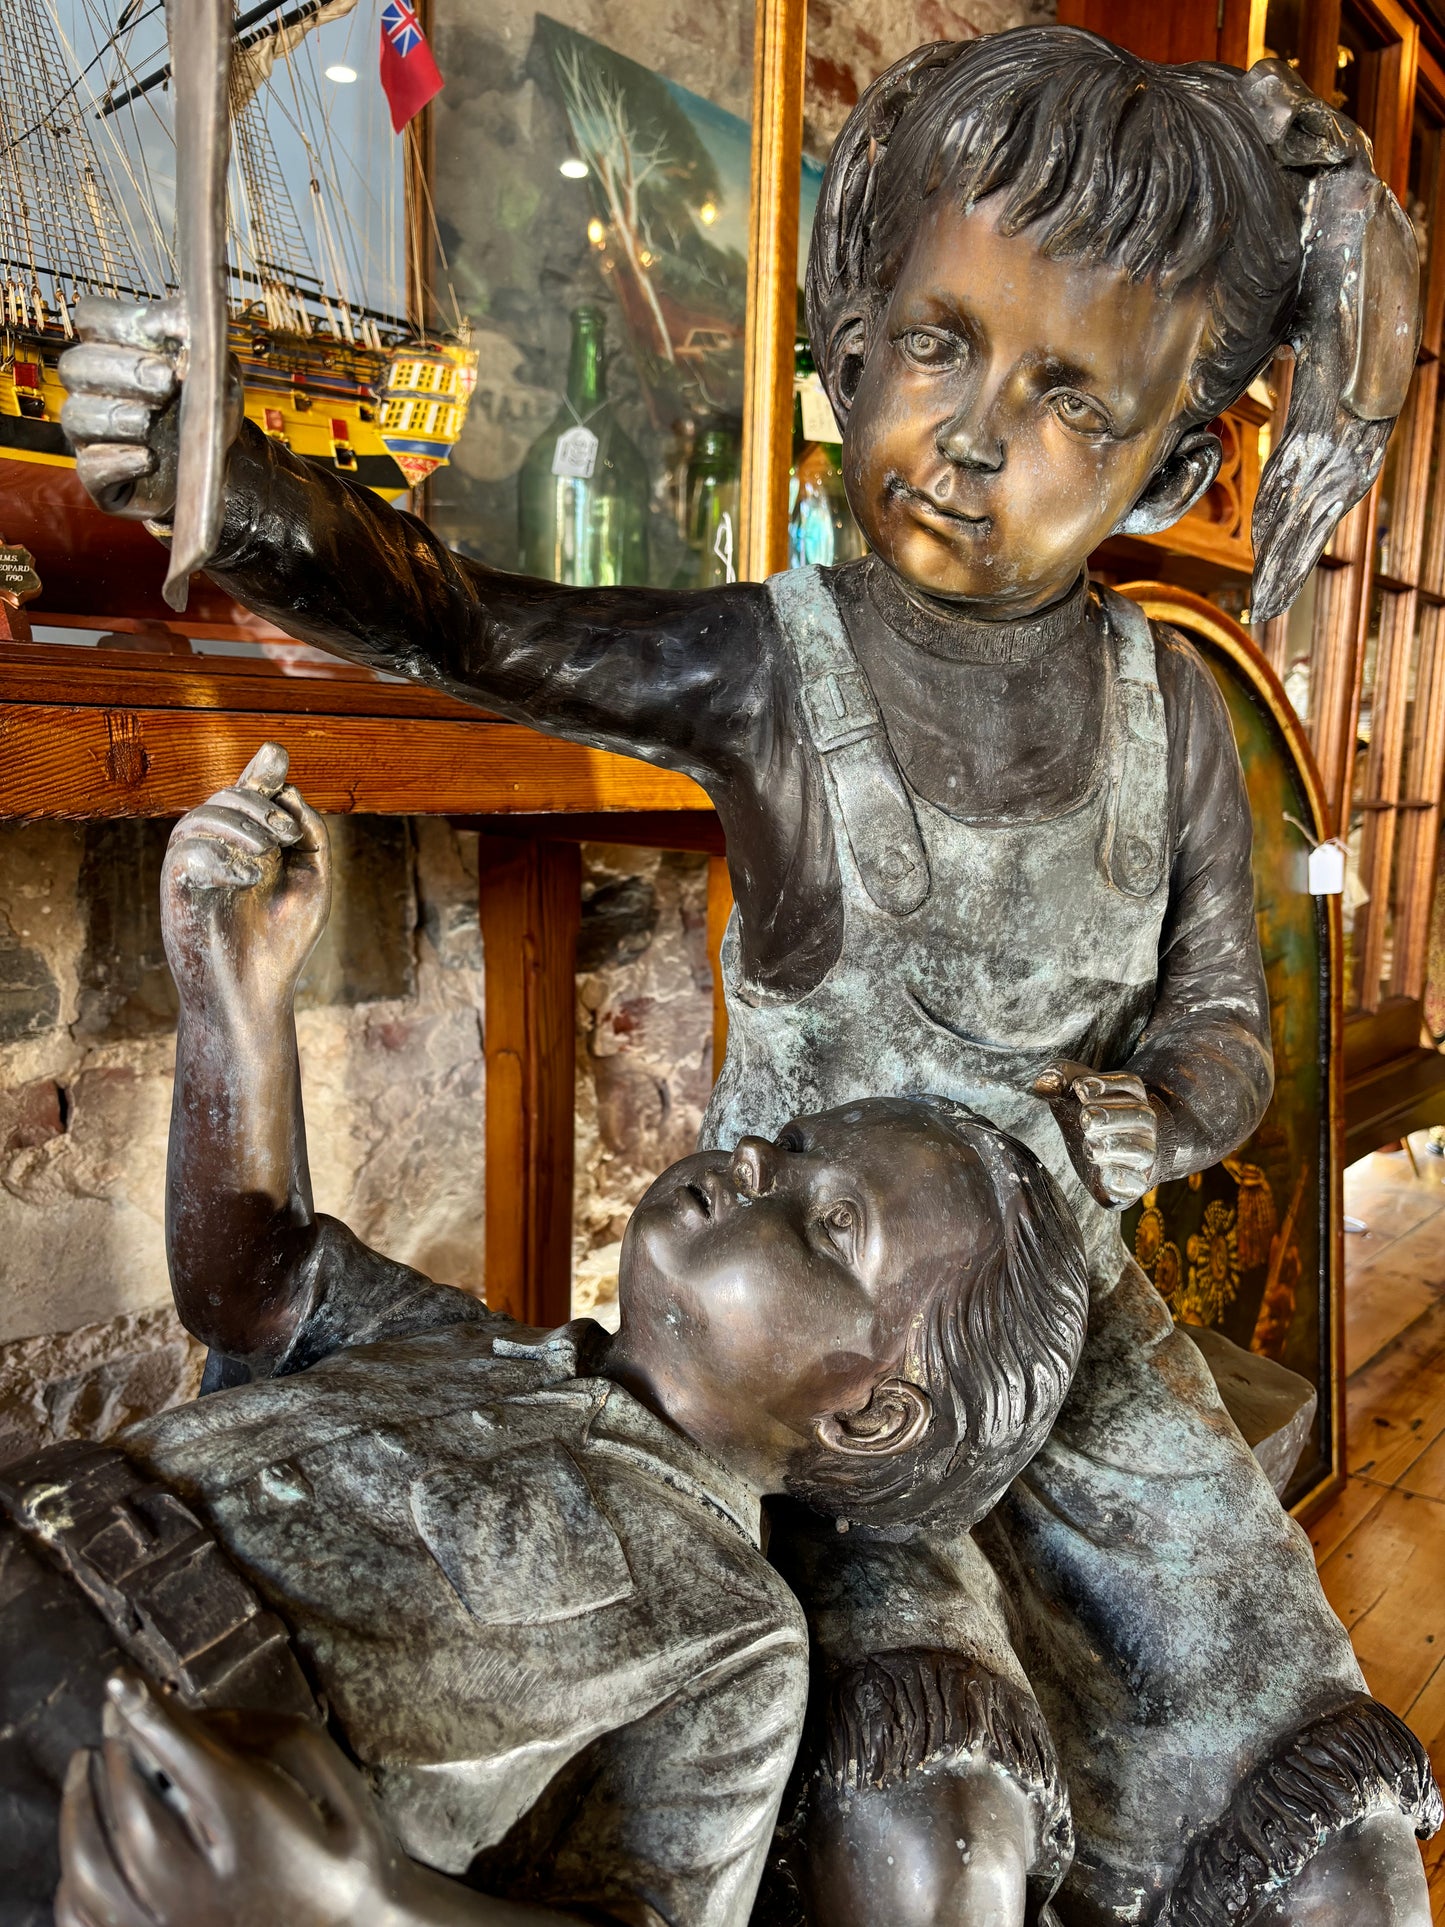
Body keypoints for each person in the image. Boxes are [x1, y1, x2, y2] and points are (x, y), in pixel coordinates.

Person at [57, 28, 1440, 1922]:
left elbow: (1226, 1045)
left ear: (1173, 457)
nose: (971, 435)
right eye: (939, 346)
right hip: (812, 1328)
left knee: (1325, 1825)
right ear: (848, 348)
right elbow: (471, 624)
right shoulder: (779, 666)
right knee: (923, 1835)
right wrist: (230, 499)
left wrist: (1132, 1113)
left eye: (1069, 402)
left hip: (1061, 1314)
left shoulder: (1169, 707)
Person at [0, 748, 1090, 1927]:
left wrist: (365, 1907)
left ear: (867, 1411)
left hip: (113, 1807)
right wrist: (234, 993)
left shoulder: (734, 1630)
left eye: (832, 1223)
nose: (761, 1157)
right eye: (799, 1139)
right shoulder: (461, 1342)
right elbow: (248, 1281)